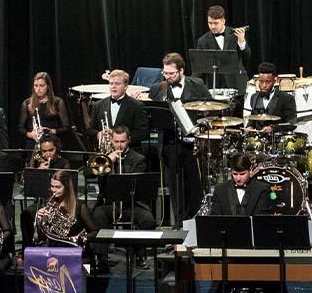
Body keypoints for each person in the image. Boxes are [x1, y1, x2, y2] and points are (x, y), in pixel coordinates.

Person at [148, 52, 211, 224]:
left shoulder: (197, 85)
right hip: (169, 144)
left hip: (192, 145)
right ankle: (179, 226)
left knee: (194, 186)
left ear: (181, 71)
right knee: (175, 189)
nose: (167, 77)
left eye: (171, 73)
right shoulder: (157, 89)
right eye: (165, 73)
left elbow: (210, 108)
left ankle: (195, 225)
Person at [90, 126, 156, 268]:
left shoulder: (138, 159)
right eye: (116, 141)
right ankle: (101, 259)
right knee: (97, 215)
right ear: (111, 140)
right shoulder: (104, 156)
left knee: (148, 220)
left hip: (130, 204)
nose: (119, 145)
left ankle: (138, 256)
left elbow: (135, 186)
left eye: (123, 141)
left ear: (129, 140)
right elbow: (87, 174)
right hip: (109, 203)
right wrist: (108, 160)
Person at [32, 170, 96, 249]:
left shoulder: (79, 206)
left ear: (67, 187)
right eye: (52, 186)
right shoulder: (48, 203)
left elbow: (94, 232)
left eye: (58, 187)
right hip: (53, 248)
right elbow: (41, 236)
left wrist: (79, 238)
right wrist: (39, 219)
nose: (54, 190)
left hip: (74, 249)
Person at [88, 70, 150, 150]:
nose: (113, 86)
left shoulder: (137, 106)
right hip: (106, 153)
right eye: (111, 84)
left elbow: (143, 133)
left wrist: (120, 137)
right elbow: (90, 129)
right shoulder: (98, 105)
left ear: (125, 87)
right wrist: (98, 134)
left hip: (129, 152)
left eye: (117, 84)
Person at [195, 5, 252, 90]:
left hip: (238, 85)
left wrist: (241, 42)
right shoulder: (202, 41)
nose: (212, 26)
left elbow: (246, 58)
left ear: (223, 21)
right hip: (215, 87)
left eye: (216, 23)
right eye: (210, 23)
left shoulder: (236, 35)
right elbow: (200, 68)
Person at [18, 72, 74, 151]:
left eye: (42, 86)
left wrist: (52, 131)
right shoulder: (27, 103)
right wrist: (30, 134)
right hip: (33, 144)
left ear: (48, 86)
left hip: (52, 145)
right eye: (36, 86)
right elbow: (20, 128)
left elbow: (67, 127)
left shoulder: (57, 102)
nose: (38, 89)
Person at [207, 154, 273, 216]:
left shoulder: (262, 189)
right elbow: (215, 219)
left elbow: (261, 219)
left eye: (242, 174)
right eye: (235, 174)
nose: (238, 178)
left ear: (250, 171)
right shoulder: (220, 189)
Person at [244, 62, 296, 133]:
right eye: (261, 82)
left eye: (268, 82)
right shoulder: (254, 97)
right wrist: (249, 126)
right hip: (259, 141)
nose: (264, 85)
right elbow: (253, 118)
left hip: (277, 140)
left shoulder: (287, 98)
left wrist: (273, 129)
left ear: (275, 80)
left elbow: (292, 123)